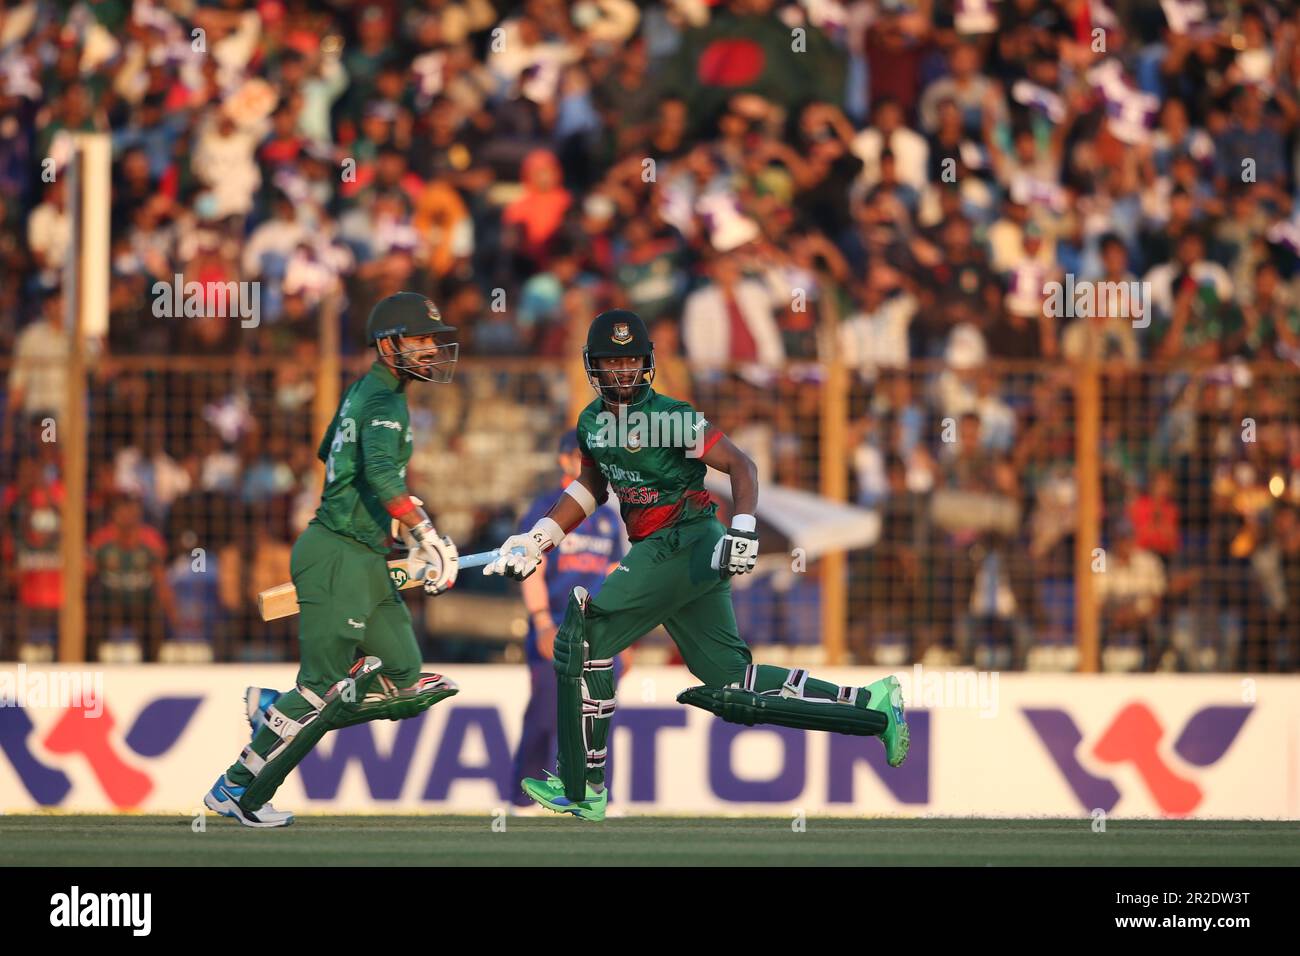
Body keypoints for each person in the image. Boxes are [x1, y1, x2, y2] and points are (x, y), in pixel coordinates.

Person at [484, 309, 909, 821]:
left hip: (683, 539)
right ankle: (872, 707)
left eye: (630, 361)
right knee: (734, 682)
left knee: (582, 641)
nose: (621, 372)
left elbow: (741, 464)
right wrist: (540, 537)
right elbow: (593, 485)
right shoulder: (592, 421)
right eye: (610, 362)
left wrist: (745, 527)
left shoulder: (670, 416)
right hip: (667, 548)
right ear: (592, 367)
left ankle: (584, 786)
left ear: (647, 365)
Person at [204, 292, 462, 827]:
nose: (431, 350)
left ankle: (277, 709)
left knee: (409, 684)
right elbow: (378, 475)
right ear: (389, 344)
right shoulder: (384, 402)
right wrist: (426, 532)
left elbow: (333, 456)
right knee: (323, 687)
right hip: (339, 553)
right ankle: (236, 789)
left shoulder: (366, 391)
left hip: (364, 554)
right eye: (420, 340)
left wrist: (396, 528)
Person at [510, 430, 628, 813]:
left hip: (597, 631)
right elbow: (532, 568)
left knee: (595, 719)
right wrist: (542, 622)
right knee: (547, 716)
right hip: (557, 627)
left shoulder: (609, 519)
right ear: (564, 460)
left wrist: (623, 633)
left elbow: (615, 578)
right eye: (579, 456)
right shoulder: (546, 508)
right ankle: (523, 801)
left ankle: (588, 795)